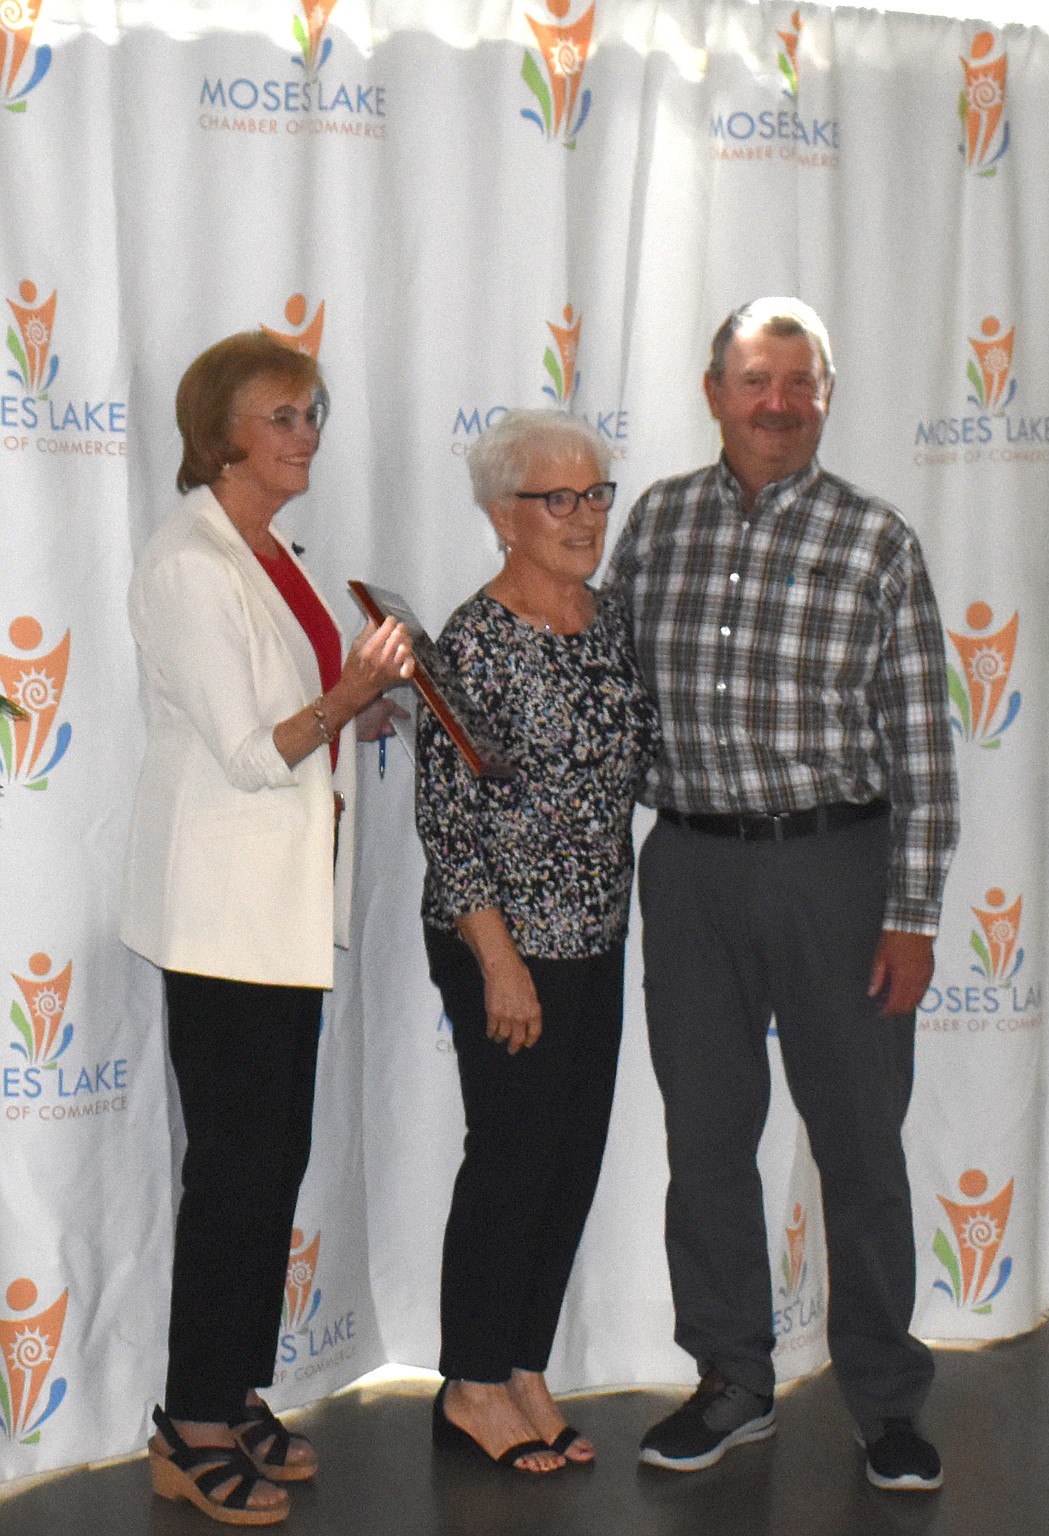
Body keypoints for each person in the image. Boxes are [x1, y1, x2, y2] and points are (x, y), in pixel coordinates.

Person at [605, 298, 959, 1491]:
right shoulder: (654, 525)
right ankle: (732, 1380)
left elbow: (922, 749)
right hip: (691, 867)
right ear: (714, 393)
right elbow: (608, 694)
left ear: (824, 397)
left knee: (860, 1147)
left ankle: (886, 1398)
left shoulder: (876, 541)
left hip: (838, 875)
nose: (778, 404)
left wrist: (912, 914)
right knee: (706, 1137)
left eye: (800, 383)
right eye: (757, 381)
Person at [122, 331, 414, 1526]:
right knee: (237, 1173)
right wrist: (343, 698)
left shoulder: (271, 552)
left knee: (265, 1164)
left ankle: (229, 1388)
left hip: (275, 916)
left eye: (315, 412)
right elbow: (252, 752)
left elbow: (286, 727)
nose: (308, 434)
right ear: (219, 435)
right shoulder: (191, 563)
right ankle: (188, 1427)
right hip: (224, 922)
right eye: (284, 415)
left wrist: (362, 716)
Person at [416, 409, 660, 1474]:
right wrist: (500, 961)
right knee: (511, 1160)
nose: (585, 517)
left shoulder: (609, 621)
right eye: (558, 498)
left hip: (596, 936)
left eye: (599, 493)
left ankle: (522, 1363)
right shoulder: (471, 639)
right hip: (499, 943)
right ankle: (470, 1382)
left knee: (569, 1162)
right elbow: (445, 820)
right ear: (501, 514)